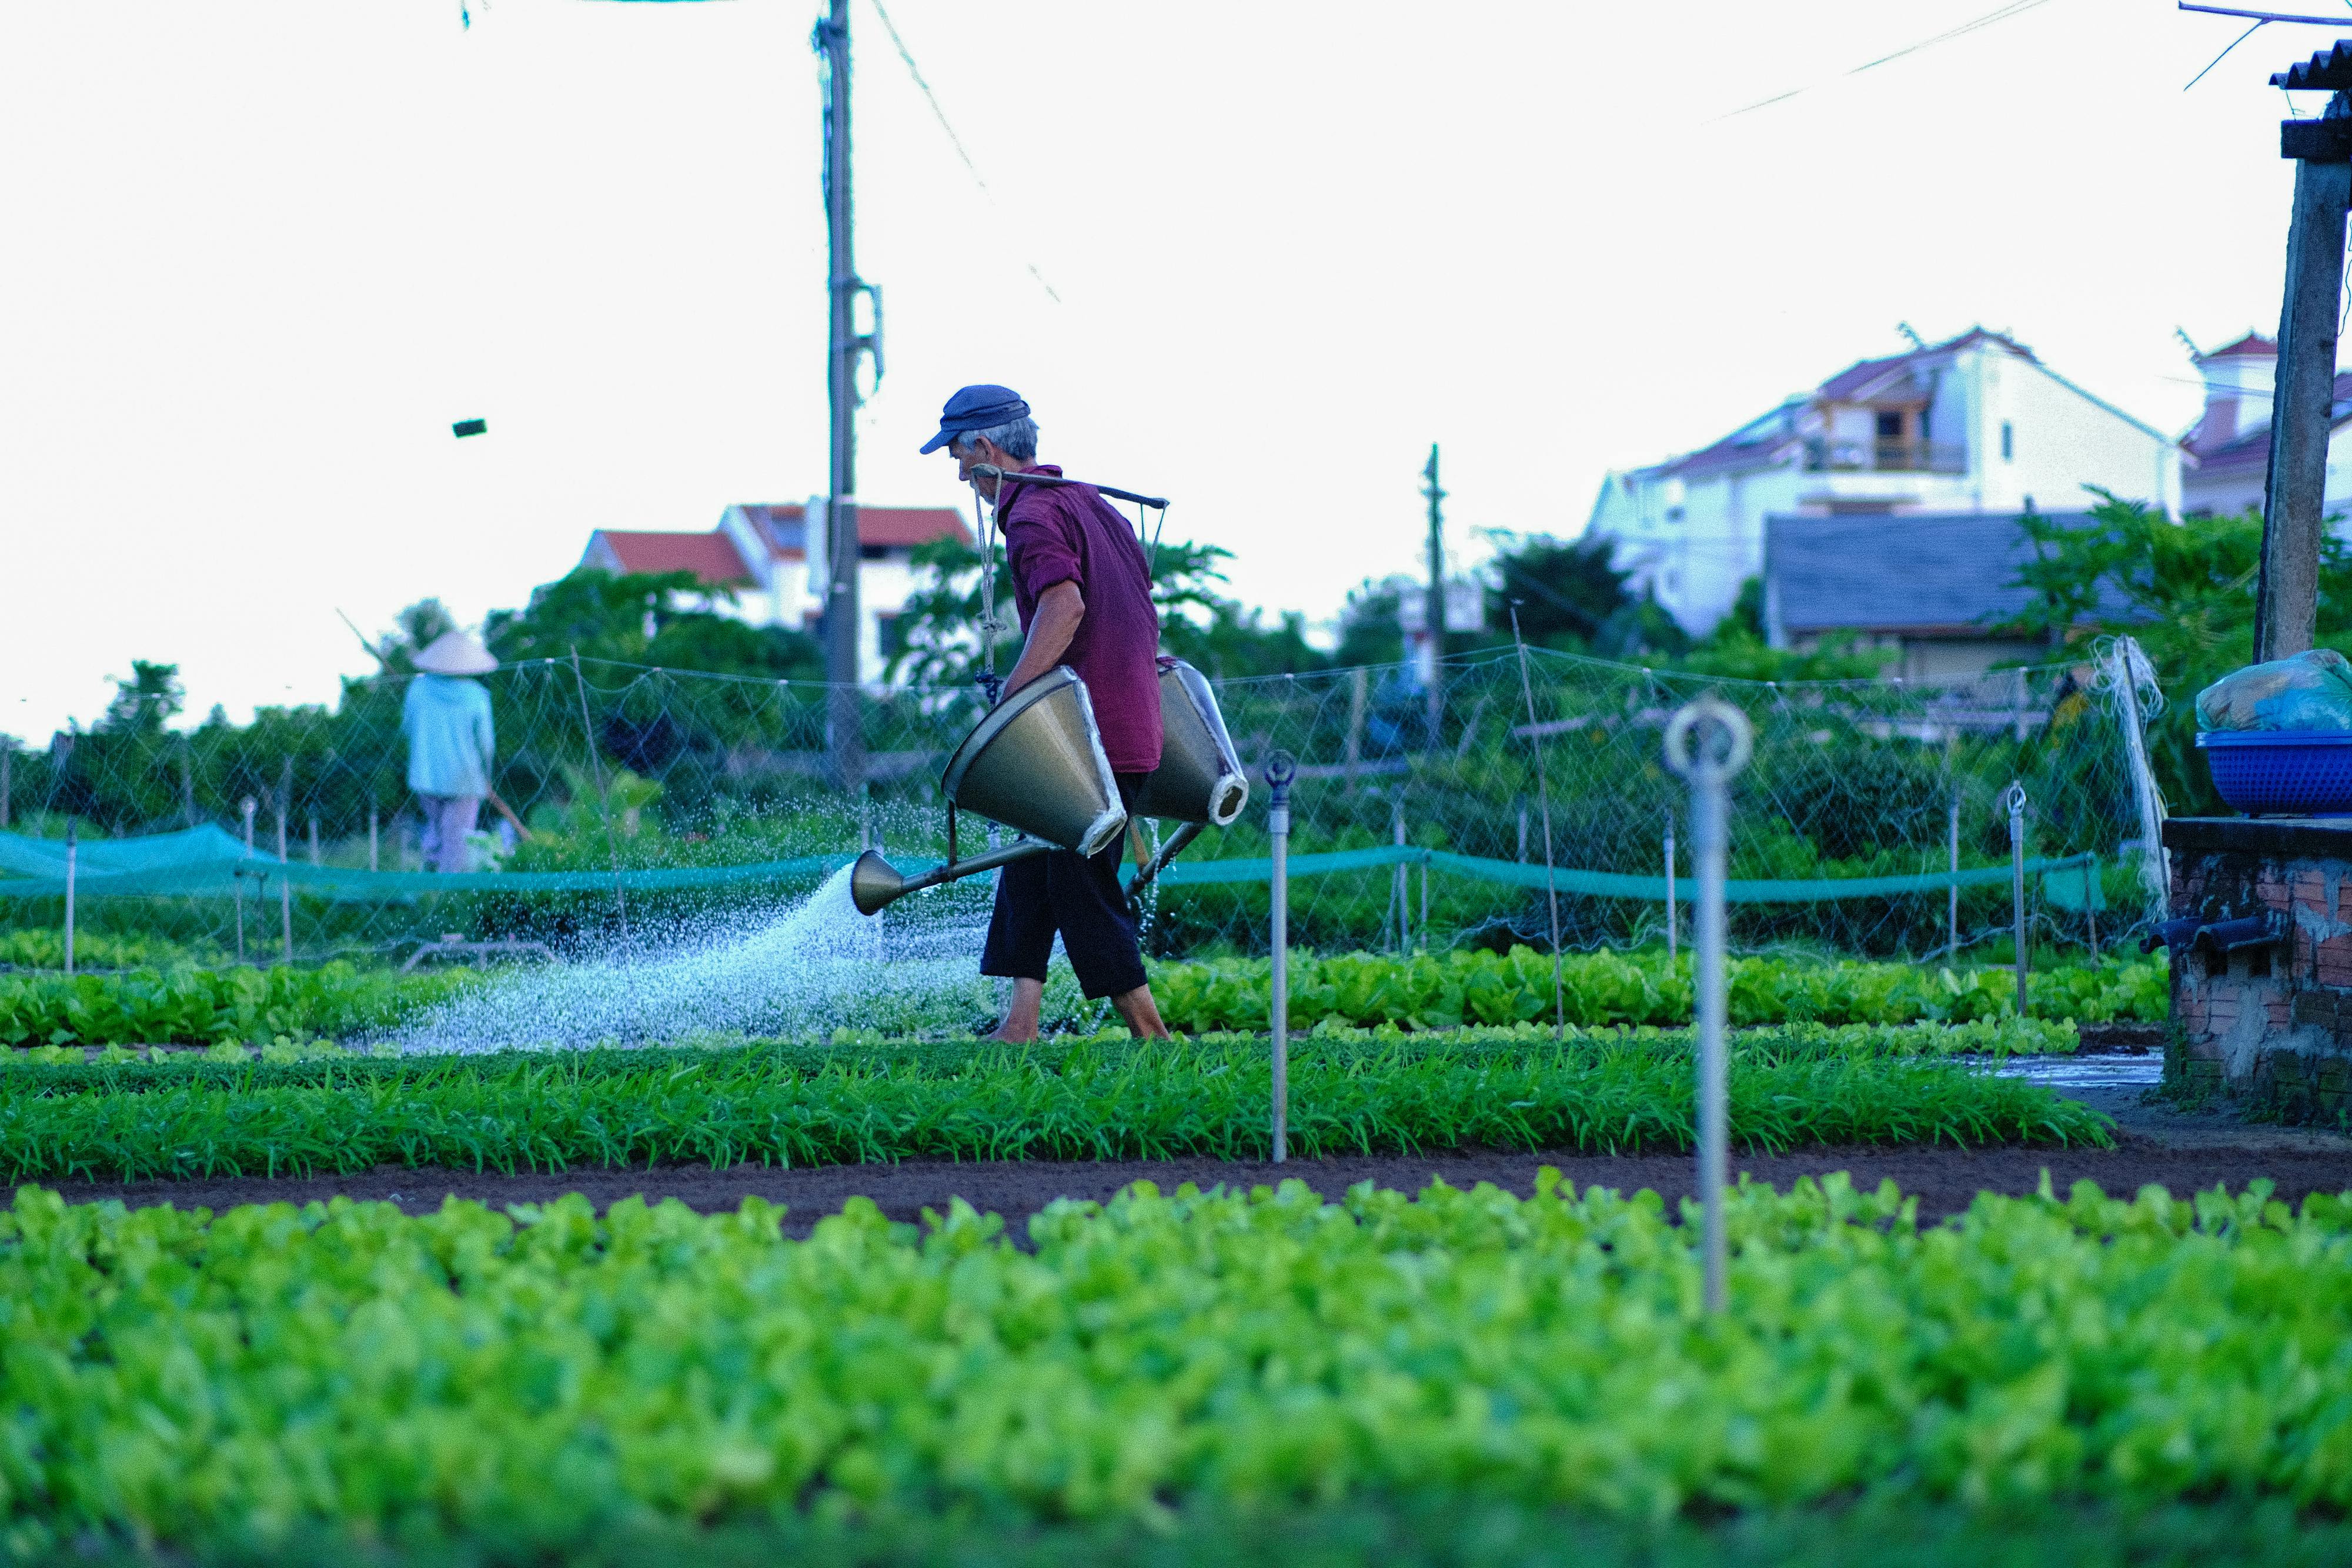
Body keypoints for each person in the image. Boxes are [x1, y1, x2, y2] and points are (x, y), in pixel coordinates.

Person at [922, 384, 1171, 1042]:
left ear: (985, 446)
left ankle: (1154, 1039)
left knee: (1083, 890)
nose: (958, 472)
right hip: (1128, 730)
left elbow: (1065, 607)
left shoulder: (1032, 516)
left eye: (956, 453)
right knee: (1031, 864)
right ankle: (1019, 1023)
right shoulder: (1090, 505)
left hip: (1088, 748)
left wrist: (1011, 702)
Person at [402, 628, 498, 874]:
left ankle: (428, 885)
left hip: (425, 777)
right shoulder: (478, 696)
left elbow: (407, 728)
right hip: (465, 779)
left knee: (437, 831)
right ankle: (446, 900)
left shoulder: (417, 689)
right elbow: (486, 744)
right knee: (457, 842)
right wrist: (486, 776)